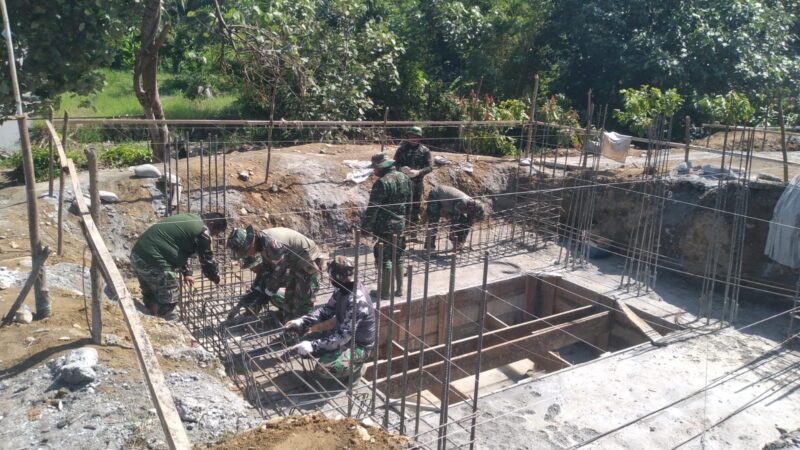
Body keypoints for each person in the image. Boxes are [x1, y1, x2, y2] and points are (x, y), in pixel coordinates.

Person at [284, 256, 375, 381]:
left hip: (359, 345)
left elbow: (343, 338)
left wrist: (314, 346)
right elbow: (325, 311)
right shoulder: (342, 288)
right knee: (304, 338)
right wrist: (302, 322)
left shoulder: (357, 301)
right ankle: (336, 355)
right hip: (343, 333)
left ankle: (357, 369)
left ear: (335, 276)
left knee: (325, 368)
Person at [130, 212, 227, 321]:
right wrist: (217, 279)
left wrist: (187, 273)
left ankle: (150, 318)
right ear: (212, 224)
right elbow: (207, 262)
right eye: (215, 233)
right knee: (171, 297)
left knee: (150, 292)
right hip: (154, 262)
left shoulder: (191, 219)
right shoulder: (203, 232)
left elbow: (180, 247)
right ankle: (167, 326)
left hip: (137, 256)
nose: (214, 236)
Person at [228, 226, 324, 322]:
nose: (247, 255)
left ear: (250, 243)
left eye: (246, 252)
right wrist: (250, 297)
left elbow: (280, 271)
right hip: (293, 263)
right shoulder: (261, 243)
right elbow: (266, 271)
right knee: (289, 298)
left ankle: (306, 328)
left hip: (308, 260)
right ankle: (289, 319)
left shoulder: (270, 242)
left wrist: (267, 293)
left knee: (303, 300)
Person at [361, 153, 412, 299]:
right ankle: (400, 289)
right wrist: (407, 221)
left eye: (375, 168)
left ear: (381, 167)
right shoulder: (405, 178)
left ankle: (384, 293)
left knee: (385, 258)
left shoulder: (382, 182)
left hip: (384, 227)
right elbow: (410, 203)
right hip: (400, 225)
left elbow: (373, 208)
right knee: (399, 255)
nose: (374, 171)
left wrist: (366, 228)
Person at [426, 185, 486, 251]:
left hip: (450, 203)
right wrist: (452, 236)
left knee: (464, 221)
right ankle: (429, 248)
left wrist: (462, 241)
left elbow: (468, 224)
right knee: (433, 222)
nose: (474, 218)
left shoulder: (472, 208)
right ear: (473, 209)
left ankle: (459, 243)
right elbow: (454, 222)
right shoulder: (462, 203)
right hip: (436, 195)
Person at [393, 126, 433, 226]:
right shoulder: (401, 150)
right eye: (411, 136)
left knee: (415, 206)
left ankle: (413, 231)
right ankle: (402, 229)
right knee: (402, 205)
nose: (413, 138)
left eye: (415, 136)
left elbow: (430, 167)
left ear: (419, 137)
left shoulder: (425, 151)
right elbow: (394, 164)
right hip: (402, 182)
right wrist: (400, 169)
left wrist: (419, 172)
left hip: (417, 183)